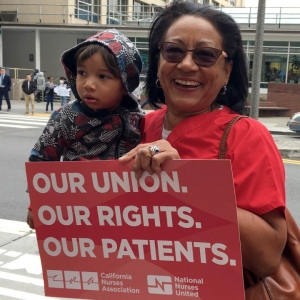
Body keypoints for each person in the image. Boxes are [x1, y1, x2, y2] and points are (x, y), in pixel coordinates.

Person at [120, 1, 287, 283]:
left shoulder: (246, 136)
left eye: (205, 55)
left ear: (227, 70)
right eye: (173, 51)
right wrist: (56, 213)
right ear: (158, 61)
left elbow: (267, 256)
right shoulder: (137, 126)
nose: (186, 64)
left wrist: (185, 183)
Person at [26, 28, 143, 229]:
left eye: (103, 76)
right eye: (82, 73)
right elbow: (42, 161)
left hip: (121, 212)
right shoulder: (66, 117)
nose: (88, 84)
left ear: (125, 82)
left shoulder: (135, 116)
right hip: (74, 209)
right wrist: (37, 204)